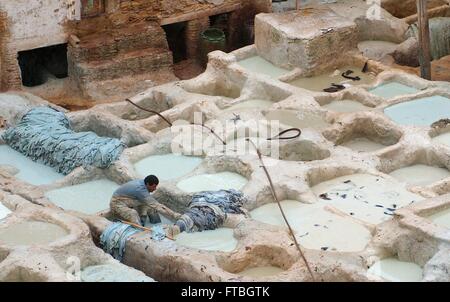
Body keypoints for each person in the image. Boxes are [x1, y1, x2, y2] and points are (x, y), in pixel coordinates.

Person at [110, 175, 181, 227]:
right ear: (147, 184)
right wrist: (174, 215)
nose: (155, 189)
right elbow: (157, 206)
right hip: (116, 203)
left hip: (127, 199)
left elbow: (152, 203)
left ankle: (155, 223)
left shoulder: (143, 183)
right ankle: (139, 231)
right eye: (153, 187)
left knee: (150, 206)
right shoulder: (141, 190)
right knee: (133, 213)